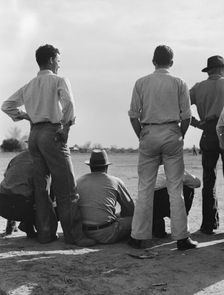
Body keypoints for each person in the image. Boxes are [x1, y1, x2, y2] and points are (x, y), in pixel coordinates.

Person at [1, 44, 95, 247]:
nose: (59, 65)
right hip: (52, 133)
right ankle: (74, 236)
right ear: (52, 60)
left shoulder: (29, 85)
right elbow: (69, 104)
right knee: (67, 187)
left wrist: (26, 116)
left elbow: (6, 105)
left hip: (34, 134)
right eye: (58, 61)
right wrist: (66, 128)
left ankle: (45, 233)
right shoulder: (59, 80)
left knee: (41, 188)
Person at [128, 45, 198, 250]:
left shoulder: (141, 83)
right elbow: (187, 116)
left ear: (153, 61)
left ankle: (138, 236)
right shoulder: (179, 83)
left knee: (145, 188)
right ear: (172, 62)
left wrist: (141, 135)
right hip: (171, 132)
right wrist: (180, 135)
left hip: (148, 132)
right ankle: (181, 238)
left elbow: (133, 115)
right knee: (175, 189)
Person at [190, 55, 224, 235]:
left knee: (209, 180)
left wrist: (196, 123)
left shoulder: (198, 88)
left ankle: (208, 225)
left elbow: (181, 106)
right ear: (221, 69)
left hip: (208, 132)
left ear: (209, 70)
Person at [78, 149, 135, 244]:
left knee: (114, 216)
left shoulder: (79, 181)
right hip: (106, 234)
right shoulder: (115, 181)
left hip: (83, 232)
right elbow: (130, 209)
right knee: (138, 219)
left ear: (90, 166)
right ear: (106, 167)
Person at [153, 165, 201, 238]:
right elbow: (197, 183)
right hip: (175, 204)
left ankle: (158, 228)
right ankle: (181, 227)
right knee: (188, 187)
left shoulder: (151, 170)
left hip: (154, 207)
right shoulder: (175, 167)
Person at [0, 151, 37, 238]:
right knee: (35, 194)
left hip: (2, 203)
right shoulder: (40, 160)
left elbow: (6, 175)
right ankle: (29, 229)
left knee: (12, 188)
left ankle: (10, 227)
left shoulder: (17, 157)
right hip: (21, 207)